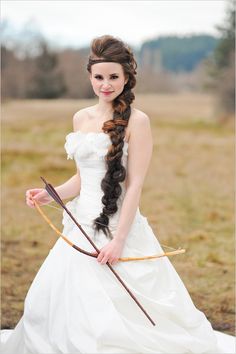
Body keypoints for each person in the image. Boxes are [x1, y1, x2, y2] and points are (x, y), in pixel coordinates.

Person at [1, 35, 235, 354]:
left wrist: (119, 240)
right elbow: (83, 179)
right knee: (55, 304)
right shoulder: (80, 118)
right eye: (99, 77)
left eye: (113, 77)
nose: (106, 84)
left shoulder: (138, 122)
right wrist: (50, 194)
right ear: (90, 77)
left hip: (118, 225)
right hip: (80, 226)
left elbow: (134, 184)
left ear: (126, 77)